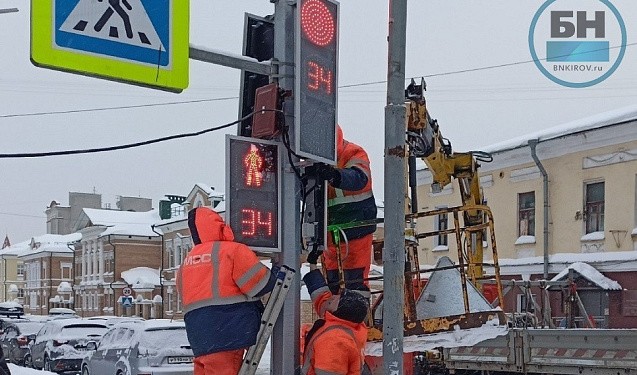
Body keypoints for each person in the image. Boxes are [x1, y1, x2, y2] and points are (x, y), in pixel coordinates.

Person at [176, 207, 279, 375]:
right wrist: (277, 272)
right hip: (229, 333)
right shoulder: (232, 250)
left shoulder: (185, 263)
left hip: (199, 340)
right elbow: (261, 285)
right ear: (218, 225)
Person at [311, 125, 377, 295]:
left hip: (356, 229)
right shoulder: (313, 160)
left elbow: (360, 178)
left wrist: (334, 175)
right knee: (334, 284)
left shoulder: (353, 152)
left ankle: (356, 319)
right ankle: (338, 318)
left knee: (355, 282)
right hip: (330, 235)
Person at [301, 265, 369, 375]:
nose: (333, 296)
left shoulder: (335, 340)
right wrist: (312, 264)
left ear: (341, 310)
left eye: (338, 298)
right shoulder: (346, 324)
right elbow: (322, 297)